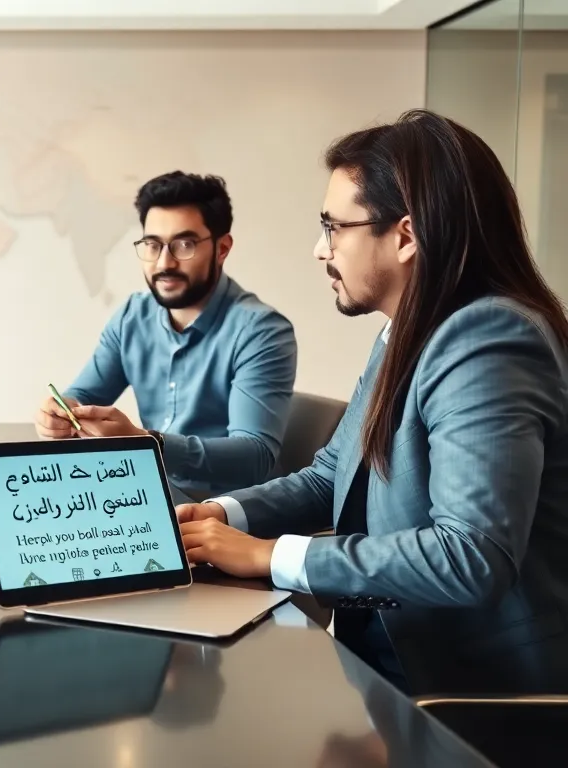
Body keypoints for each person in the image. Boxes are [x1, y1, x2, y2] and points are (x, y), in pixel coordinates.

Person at [177, 109, 568, 696]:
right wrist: (223, 516)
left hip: (475, 695)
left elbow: (470, 556)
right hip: (387, 664)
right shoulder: (406, 332)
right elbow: (332, 474)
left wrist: (270, 556)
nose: (319, 248)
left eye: (334, 227)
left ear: (406, 236)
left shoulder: (488, 339)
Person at [36, 171, 297, 497]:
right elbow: (83, 396)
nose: (164, 262)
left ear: (222, 248)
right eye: (152, 244)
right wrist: (59, 414)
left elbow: (255, 456)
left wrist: (149, 443)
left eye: (184, 244)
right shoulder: (133, 316)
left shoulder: (262, 331)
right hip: (150, 492)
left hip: (225, 513)